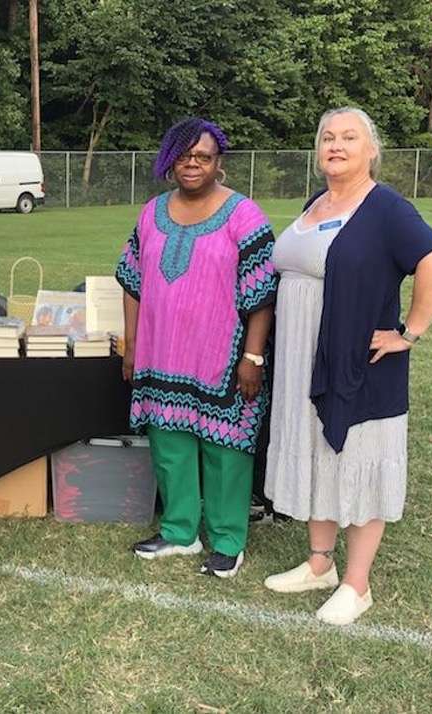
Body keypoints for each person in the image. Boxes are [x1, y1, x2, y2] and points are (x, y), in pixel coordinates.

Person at [263, 108, 432, 625]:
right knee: (318, 450)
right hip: (303, 358)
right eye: (328, 136)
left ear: (372, 150)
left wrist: (409, 333)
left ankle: (357, 584)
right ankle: (320, 565)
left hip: (359, 361)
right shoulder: (316, 203)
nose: (336, 145)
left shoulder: (386, 208)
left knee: (360, 459)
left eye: (350, 137)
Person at [116, 117, 278, 578]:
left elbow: (261, 293)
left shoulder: (245, 215)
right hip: (162, 355)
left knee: (226, 449)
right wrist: (132, 345)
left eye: (202, 156)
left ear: (218, 162)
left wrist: (253, 356)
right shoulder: (152, 213)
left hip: (222, 359)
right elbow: (131, 281)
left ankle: (228, 540)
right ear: (171, 161)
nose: (192, 164)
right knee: (170, 445)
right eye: (184, 155)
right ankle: (179, 531)